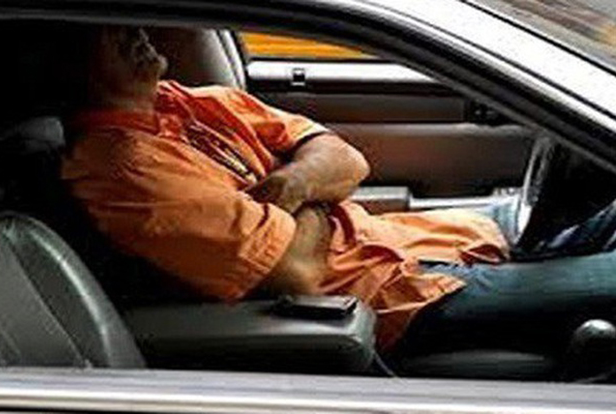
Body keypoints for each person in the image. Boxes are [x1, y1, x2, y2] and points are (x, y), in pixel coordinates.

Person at [61, 25, 616, 360]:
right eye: (104, 32)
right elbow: (298, 270)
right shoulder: (124, 171)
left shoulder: (189, 102)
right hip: (395, 299)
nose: (133, 32)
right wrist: (315, 182)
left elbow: (346, 159)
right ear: (67, 61)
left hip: (427, 241)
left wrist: (295, 183)